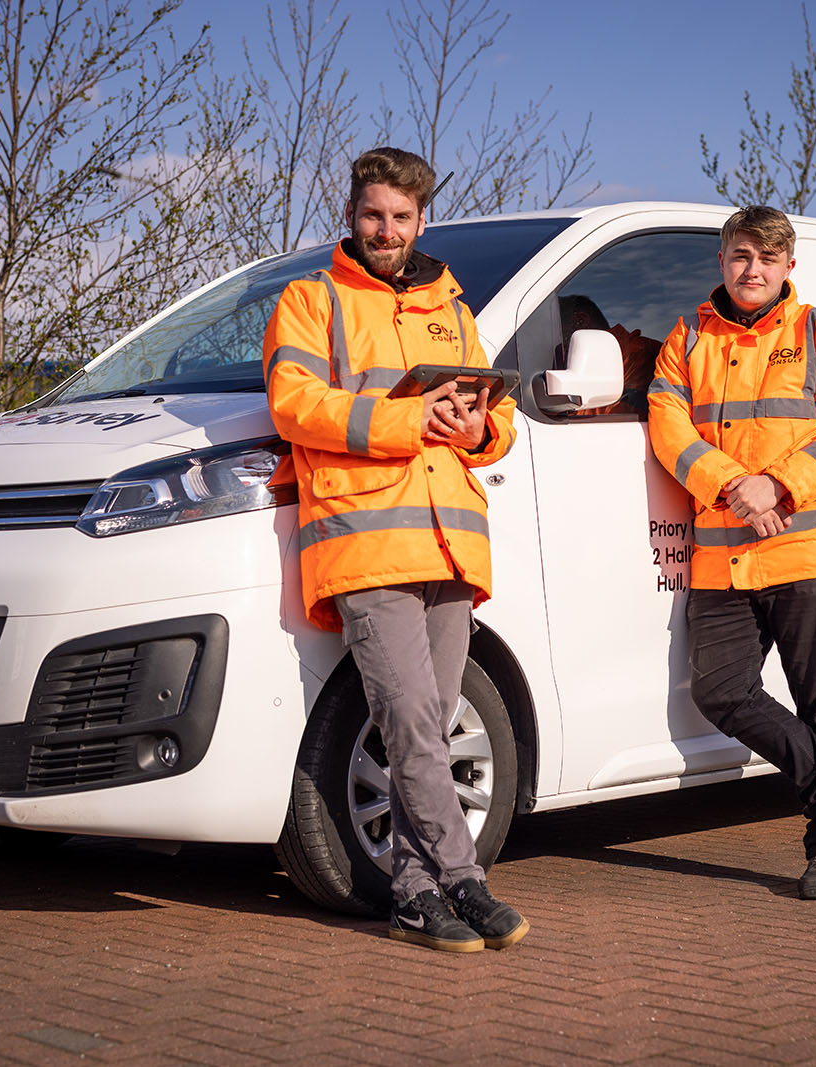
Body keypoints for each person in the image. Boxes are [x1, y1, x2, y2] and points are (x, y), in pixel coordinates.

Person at [263, 147, 527, 951]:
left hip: (451, 542)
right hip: (366, 540)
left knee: (435, 723)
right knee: (411, 718)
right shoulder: (311, 300)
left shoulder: (452, 304)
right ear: (352, 212)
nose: (386, 229)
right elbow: (296, 405)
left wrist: (483, 426)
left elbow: (496, 419)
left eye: (401, 217)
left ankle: (414, 894)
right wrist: (407, 421)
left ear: (421, 220)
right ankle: (466, 878)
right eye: (374, 214)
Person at [646, 205, 816, 900]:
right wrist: (732, 486)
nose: (752, 270)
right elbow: (668, 428)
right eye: (740, 257)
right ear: (722, 262)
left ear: (789, 265)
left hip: (810, 546)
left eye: (766, 259)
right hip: (724, 553)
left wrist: (780, 483)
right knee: (720, 690)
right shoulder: (687, 336)